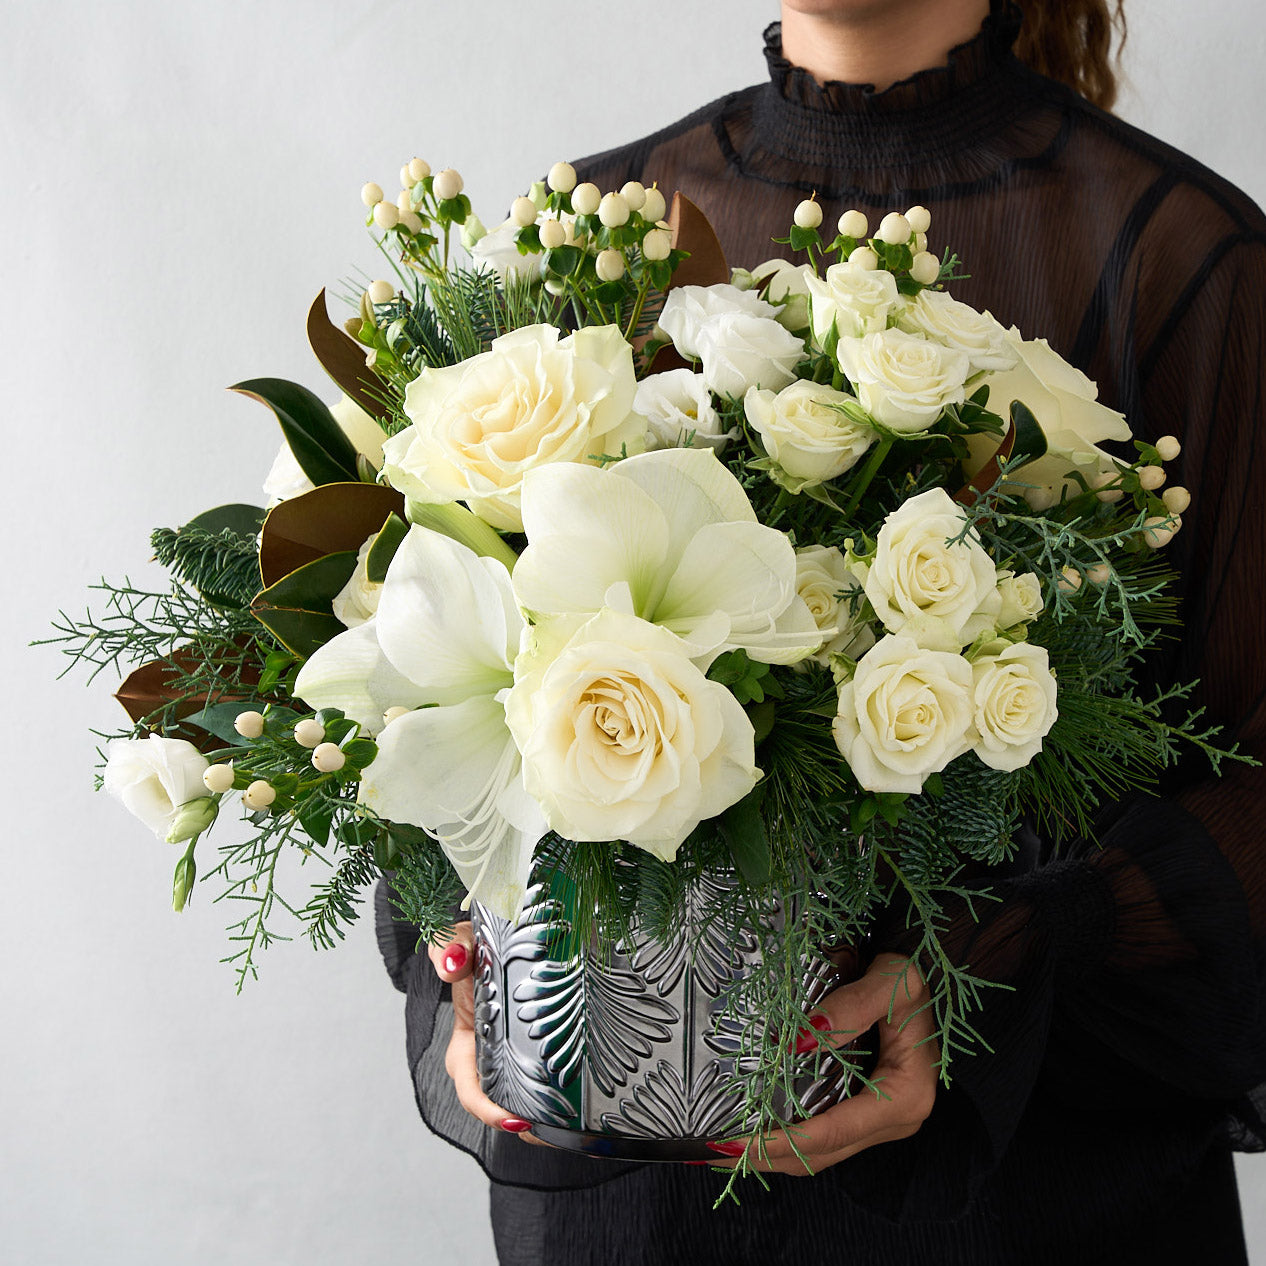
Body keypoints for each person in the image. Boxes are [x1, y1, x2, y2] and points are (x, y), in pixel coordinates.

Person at [376, 2, 1266, 1261]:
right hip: (634, 1205)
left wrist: (1000, 954)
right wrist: (467, 972)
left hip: (1033, 1197)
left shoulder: (1180, 255)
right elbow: (423, 692)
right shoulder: (597, 229)